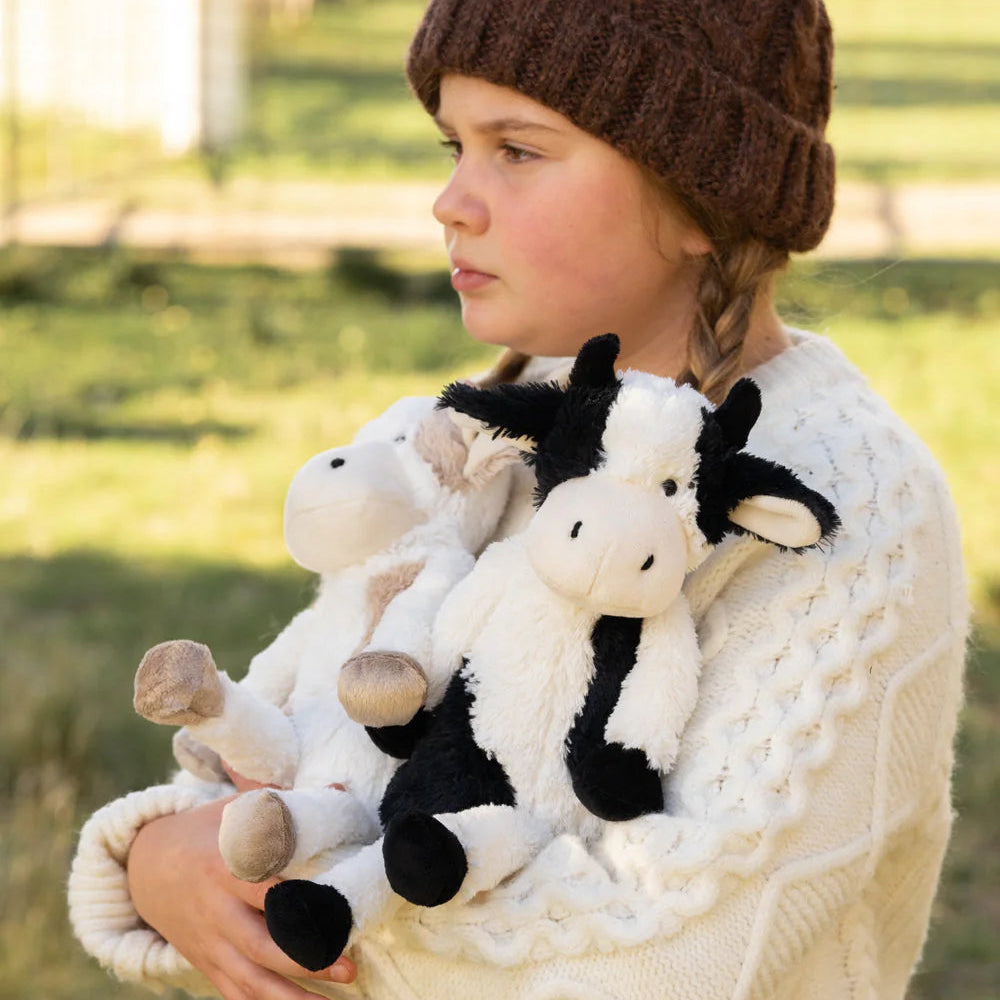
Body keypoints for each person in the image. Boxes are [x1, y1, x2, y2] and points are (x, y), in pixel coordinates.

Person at [68, 1, 969, 998]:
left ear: (702, 198)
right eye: (454, 146)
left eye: (518, 150)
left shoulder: (843, 506)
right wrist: (156, 856)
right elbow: (306, 748)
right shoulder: (489, 439)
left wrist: (277, 887)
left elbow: (668, 950)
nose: (451, 200)